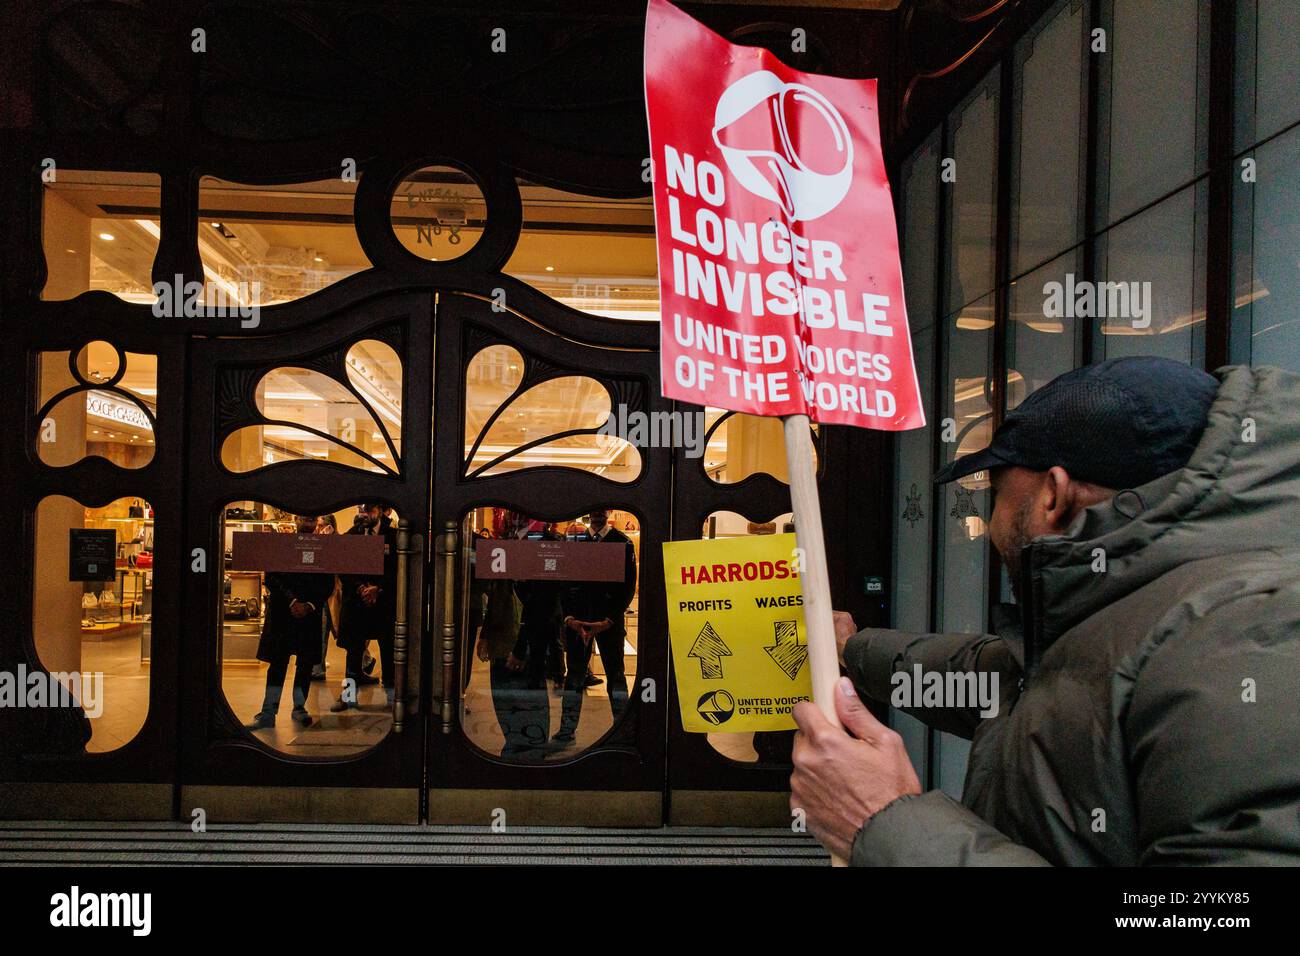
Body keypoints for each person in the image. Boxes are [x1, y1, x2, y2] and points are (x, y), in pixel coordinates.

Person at [791, 358, 1300, 865]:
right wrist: (849, 646)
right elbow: (1001, 676)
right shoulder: (1149, 611)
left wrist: (891, 824)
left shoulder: (1245, 635)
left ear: (1052, 494)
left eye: (996, 492)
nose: (990, 524)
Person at [553, 510, 638, 749]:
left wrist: (609, 620)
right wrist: (570, 617)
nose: (597, 515)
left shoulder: (623, 543)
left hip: (608, 623)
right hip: (578, 622)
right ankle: (567, 730)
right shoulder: (575, 542)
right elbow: (564, 581)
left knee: (616, 675)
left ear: (608, 513)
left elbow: (628, 585)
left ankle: (622, 729)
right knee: (575, 676)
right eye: (594, 511)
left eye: (602, 511)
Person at [248, 514, 334, 730]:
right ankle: (268, 712)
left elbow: (327, 583)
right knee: (278, 664)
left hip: (307, 615)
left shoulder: (323, 549)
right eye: (304, 518)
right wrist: (294, 601)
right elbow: (272, 577)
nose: (308, 523)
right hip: (283, 614)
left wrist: (309, 605)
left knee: (305, 664)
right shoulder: (281, 545)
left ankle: (299, 707)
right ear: (296, 519)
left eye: (311, 519)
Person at [332, 503, 398, 711]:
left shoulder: (394, 536)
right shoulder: (351, 536)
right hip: (357, 603)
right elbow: (342, 567)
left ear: (379, 511)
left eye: (369, 510)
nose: (365, 514)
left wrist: (378, 588)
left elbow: (399, 568)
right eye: (362, 510)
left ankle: (391, 696)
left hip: (384, 602)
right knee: (354, 651)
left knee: (389, 651)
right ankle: (349, 695)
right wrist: (361, 587)